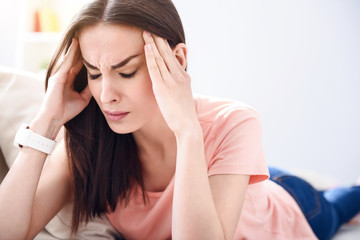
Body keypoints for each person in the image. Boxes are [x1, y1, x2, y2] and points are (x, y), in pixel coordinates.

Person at [0, 0, 359, 239]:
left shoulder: (235, 120)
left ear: (178, 59)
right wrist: (47, 120)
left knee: (342, 203)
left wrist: (188, 130)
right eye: (94, 73)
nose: (106, 94)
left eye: (126, 72)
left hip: (287, 207)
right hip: (234, 174)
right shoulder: (91, 136)